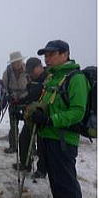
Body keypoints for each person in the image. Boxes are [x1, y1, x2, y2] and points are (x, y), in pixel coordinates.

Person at [30, 40, 90, 197]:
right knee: (56, 184)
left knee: (66, 186)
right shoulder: (52, 78)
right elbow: (47, 104)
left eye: (51, 54)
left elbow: (78, 112)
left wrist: (50, 120)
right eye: (45, 55)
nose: (47, 59)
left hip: (63, 140)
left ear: (65, 54)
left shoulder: (76, 78)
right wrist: (31, 113)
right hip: (48, 137)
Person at [11, 57, 47, 178]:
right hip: (32, 115)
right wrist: (18, 102)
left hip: (44, 116)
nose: (30, 74)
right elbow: (30, 96)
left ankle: (42, 170)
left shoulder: (48, 79)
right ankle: (25, 163)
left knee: (42, 145)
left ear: (39, 67)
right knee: (24, 138)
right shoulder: (33, 80)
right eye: (29, 72)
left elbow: (38, 97)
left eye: (32, 71)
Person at [2, 51, 28, 153]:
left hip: (26, 100)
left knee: (28, 125)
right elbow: (4, 86)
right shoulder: (7, 72)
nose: (16, 64)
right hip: (13, 101)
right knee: (13, 125)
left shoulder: (28, 70)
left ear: (21, 60)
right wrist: (7, 96)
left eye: (18, 61)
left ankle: (31, 148)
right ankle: (13, 146)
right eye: (14, 62)